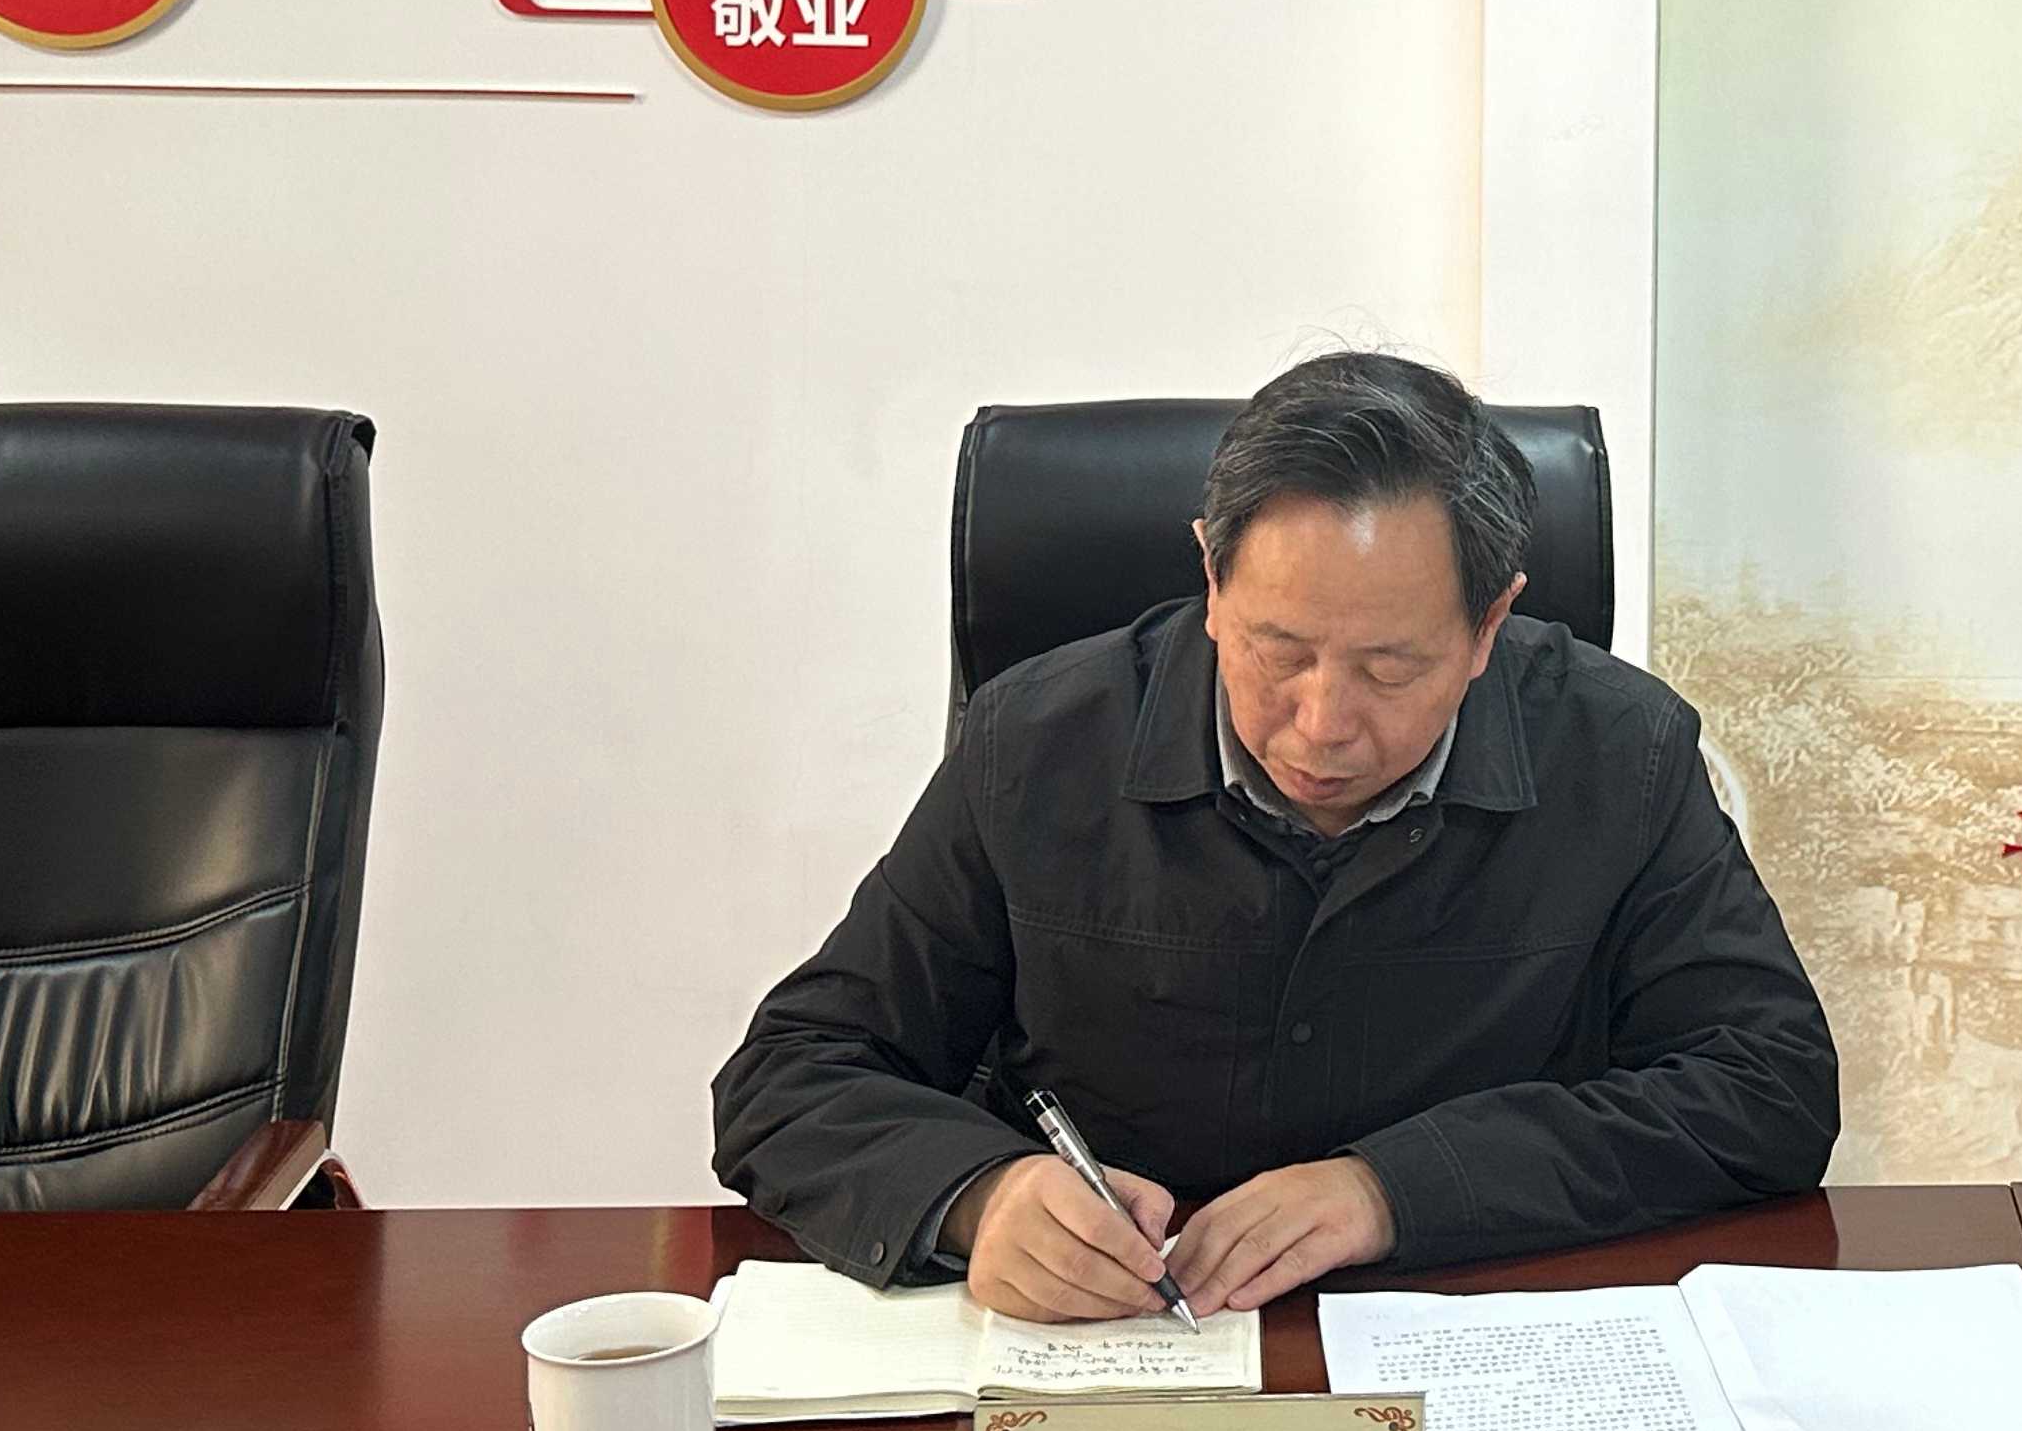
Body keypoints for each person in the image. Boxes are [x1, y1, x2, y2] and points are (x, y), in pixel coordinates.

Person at [714, 352, 1838, 1319]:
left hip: (1459, 1331)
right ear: (1211, 577)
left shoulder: (1620, 752)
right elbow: (790, 1074)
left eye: (1389, 668)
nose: (1321, 723)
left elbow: (1768, 1086)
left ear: (1490, 623)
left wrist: (1394, 1191)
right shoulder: (1038, 743)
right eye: (1278, 650)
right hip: (1120, 1344)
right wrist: (981, 1195)